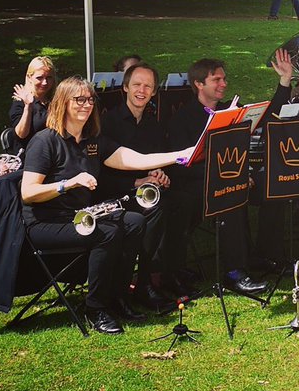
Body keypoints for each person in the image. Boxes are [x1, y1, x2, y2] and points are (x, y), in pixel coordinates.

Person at [20, 76, 193, 334]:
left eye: (90, 100)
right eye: (79, 100)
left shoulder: (93, 141)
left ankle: (118, 297)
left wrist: (179, 156)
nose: (86, 105)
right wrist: (68, 184)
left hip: (80, 216)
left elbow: (134, 159)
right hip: (47, 222)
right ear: (62, 103)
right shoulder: (45, 141)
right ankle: (96, 308)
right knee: (108, 233)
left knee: (135, 222)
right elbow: (28, 193)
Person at [165, 58, 268, 295]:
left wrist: (243, 173)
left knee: (267, 184)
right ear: (199, 84)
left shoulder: (229, 110)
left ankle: (256, 255)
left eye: (224, 78)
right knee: (229, 194)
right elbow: (182, 167)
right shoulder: (183, 118)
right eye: (216, 79)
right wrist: (226, 177)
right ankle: (234, 272)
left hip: (226, 177)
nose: (223, 84)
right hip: (192, 184)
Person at [99, 63, 177, 309]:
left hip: (145, 193)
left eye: (148, 86)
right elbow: (98, 175)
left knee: (172, 204)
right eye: (137, 85)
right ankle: (139, 284)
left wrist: (160, 175)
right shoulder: (107, 123)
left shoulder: (153, 124)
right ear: (125, 87)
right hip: (112, 194)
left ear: (154, 92)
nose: (142, 91)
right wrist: (137, 181)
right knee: (155, 212)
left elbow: (158, 161)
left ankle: (153, 278)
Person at [8, 56, 56, 147]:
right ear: (29, 77)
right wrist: (28, 106)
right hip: (30, 153)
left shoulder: (56, 100)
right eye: (40, 78)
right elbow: (21, 135)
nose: (45, 82)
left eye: (49, 77)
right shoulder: (20, 102)